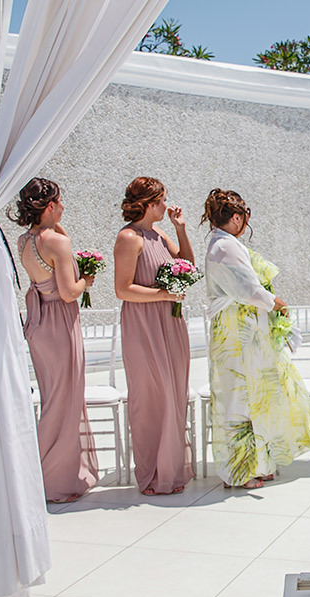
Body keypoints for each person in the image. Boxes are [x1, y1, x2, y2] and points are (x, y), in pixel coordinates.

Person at [202, 189, 310, 488]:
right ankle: (240, 470)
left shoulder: (222, 243)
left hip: (243, 329)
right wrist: (277, 302)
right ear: (236, 217)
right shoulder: (225, 246)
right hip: (237, 331)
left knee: (255, 395)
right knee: (241, 397)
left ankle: (258, 462)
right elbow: (248, 290)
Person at [12, 178, 98, 503]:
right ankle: (53, 481)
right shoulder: (55, 243)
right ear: (50, 206)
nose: (64, 206)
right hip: (60, 323)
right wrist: (86, 280)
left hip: (39, 323)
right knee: (65, 399)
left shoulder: (25, 239)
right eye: (60, 202)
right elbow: (68, 292)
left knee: (53, 398)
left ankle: (43, 473)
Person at [114, 176, 195, 496]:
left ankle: (171, 469)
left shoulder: (159, 233)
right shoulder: (129, 238)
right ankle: (150, 474)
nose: (166, 205)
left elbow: (186, 264)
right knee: (149, 398)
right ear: (149, 204)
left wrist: (180, 228)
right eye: (162, 201)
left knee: (173, 394)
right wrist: (164, 295)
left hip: (170, 323)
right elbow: (123, 289)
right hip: (143, 325)